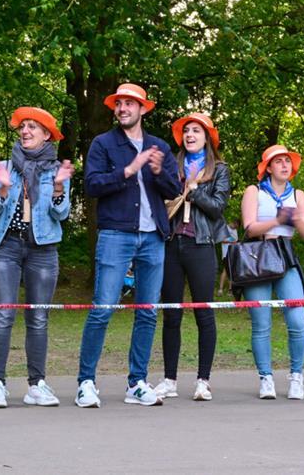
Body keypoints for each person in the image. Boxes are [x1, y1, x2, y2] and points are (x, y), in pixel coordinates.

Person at [76, 83, 181, 408]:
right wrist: (128, 170)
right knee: (102, 309)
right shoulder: (103, 143)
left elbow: (174, 189)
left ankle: (136, 383)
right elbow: (92, 185)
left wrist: (157, 171)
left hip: (153, 238)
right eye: (118, 104)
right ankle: (86, 383)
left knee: (147, 312)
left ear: (143, 109)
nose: (122, 108)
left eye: (129, 104)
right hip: (115, 235)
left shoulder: (158, 145)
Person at [0, 107, 73, 408]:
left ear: (47, 134)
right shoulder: (6, 166)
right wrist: (4, 190)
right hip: (6, 247)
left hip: (42, 250)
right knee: (3, 316)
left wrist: (59, 188)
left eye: (33, 127)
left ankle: (37, 385)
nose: (25, 131)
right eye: (23, 126)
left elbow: (61, 214)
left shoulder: (56, 170)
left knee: (38, 319)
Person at [153, 113, 231, 402]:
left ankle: (203, 381)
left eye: (196, 130)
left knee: (203, 312)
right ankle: (170, 380)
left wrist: (194, 191)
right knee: (171, 313)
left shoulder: (219, 169)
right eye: (186, 131)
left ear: (207, 137)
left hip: (201, 244)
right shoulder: (172, 167)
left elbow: (217, 207)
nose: (190, 135)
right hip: (172, 244)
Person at [241, 145, 304, 400]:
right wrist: (278, 220)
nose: (285, 165)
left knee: (297, 320)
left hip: (286, 257)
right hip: (258, 259)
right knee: (261, 323)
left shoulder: (299, 195)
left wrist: (294, 220)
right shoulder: (255, 191)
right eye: (278, 161)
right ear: (268, 167)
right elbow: (250, 228)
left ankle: (296, 377)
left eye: (288, 161)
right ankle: (266, 378)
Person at [217, 219, 240, 296]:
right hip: (225, 253)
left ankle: (230, 290)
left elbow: (236, 240)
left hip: (232, 253)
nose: (235, 228)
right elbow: (222, 240)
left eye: (237, 227)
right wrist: (232, 241)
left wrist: (235, 242)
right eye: (235, 226)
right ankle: (220, 289)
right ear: (234, 222)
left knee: (231, 271)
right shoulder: (225, 228)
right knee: (225, 271)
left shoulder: (235, 231)